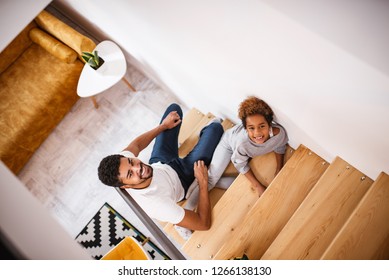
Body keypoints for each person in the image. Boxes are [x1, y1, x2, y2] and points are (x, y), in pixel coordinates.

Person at [97, 103, 224, 231]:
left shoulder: (122, 162)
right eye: (131, 174)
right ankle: (204, 138)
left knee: (174, 111)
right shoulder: (157, 205)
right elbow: (203, 224)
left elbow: (136, 145)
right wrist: (202, 183)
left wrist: (163, 126)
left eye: (132, 161)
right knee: (216, 128)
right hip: (182, 179)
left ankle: (185, 141)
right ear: (126, 186)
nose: (138, 168)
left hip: (159, 161)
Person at [185, 96, 289, 211]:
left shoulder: (280, 134)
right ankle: (187, 211)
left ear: (269, 124)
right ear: (245, 128)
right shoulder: (242, 143)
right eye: (251, 128)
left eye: (262, 126)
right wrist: (258, 186)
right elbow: (240, 163)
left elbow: (280, 146)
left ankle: (212, 179)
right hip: (229, 145)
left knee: (239, 185)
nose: (257, 133)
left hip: (246, 152)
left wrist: (279, 168)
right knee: (210, 180)